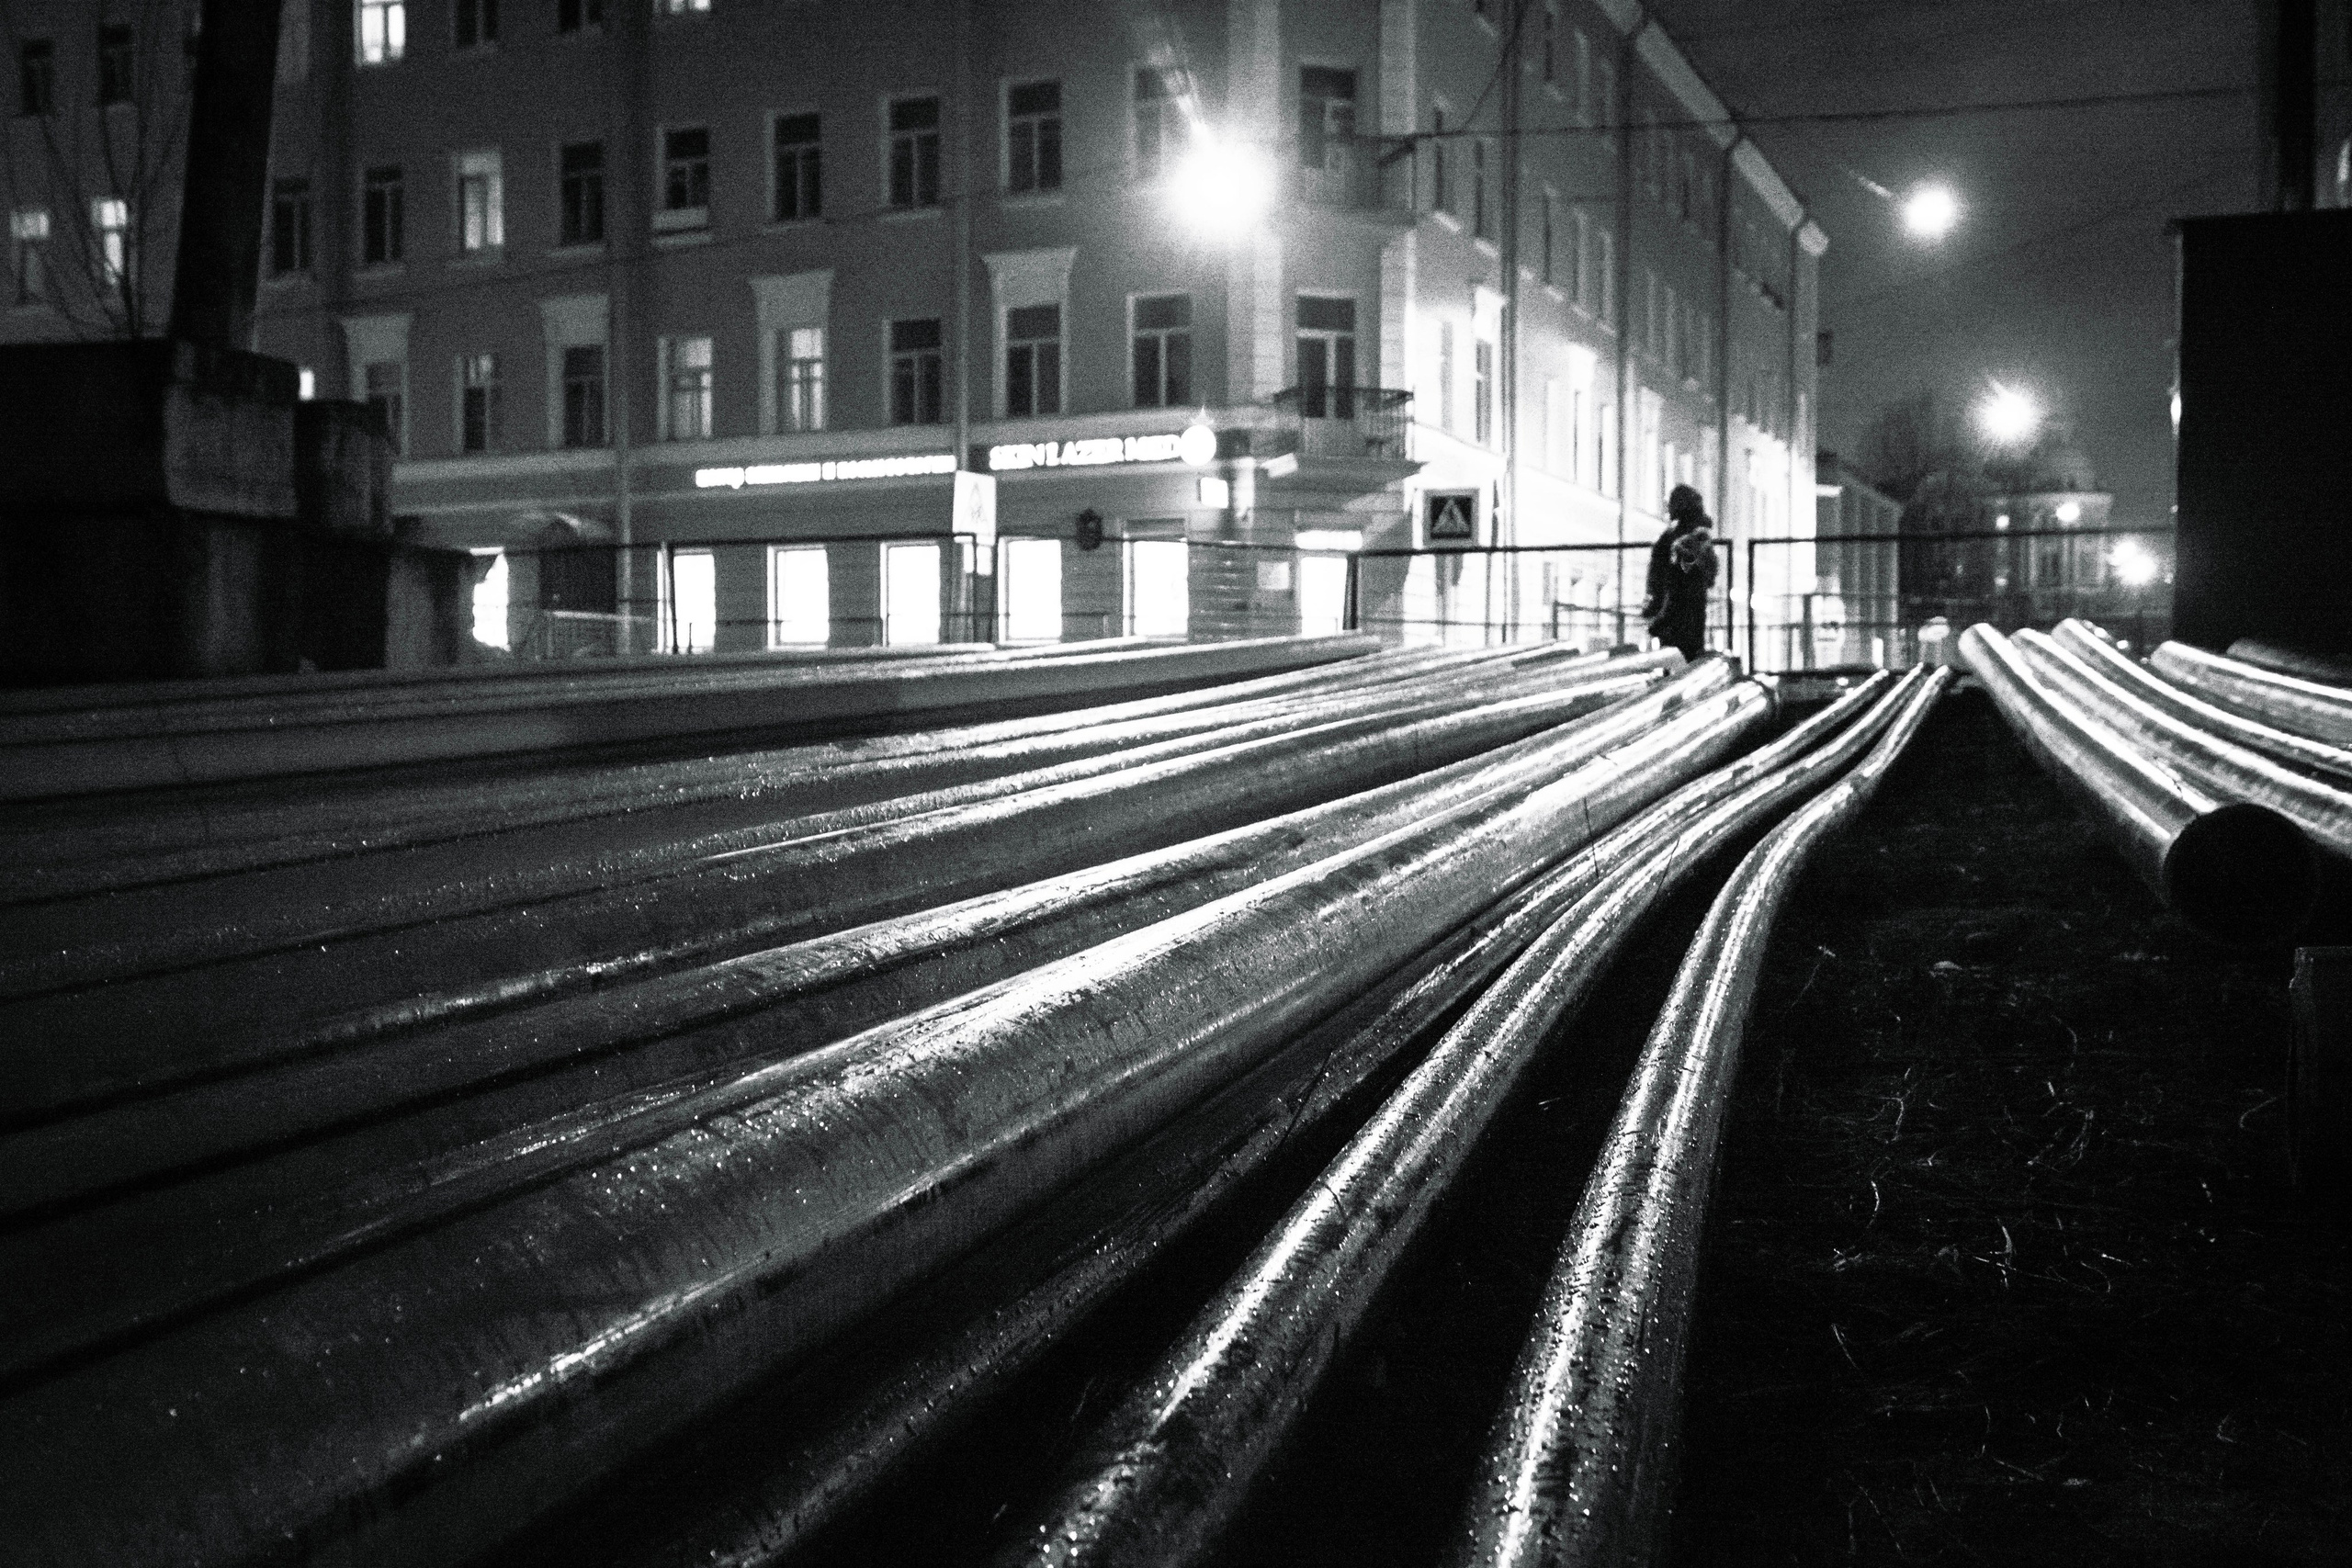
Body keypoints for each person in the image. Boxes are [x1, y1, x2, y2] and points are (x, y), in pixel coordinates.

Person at [1644, 483, 1718, 660]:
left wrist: (1655, 609)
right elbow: (1709, 576)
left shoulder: (1674, 539)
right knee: (1685, 657)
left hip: (1678, 613)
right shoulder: (1696, 539)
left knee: (1673, 658)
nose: (1669, 507)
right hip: (1689, 613)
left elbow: (1658, 578)